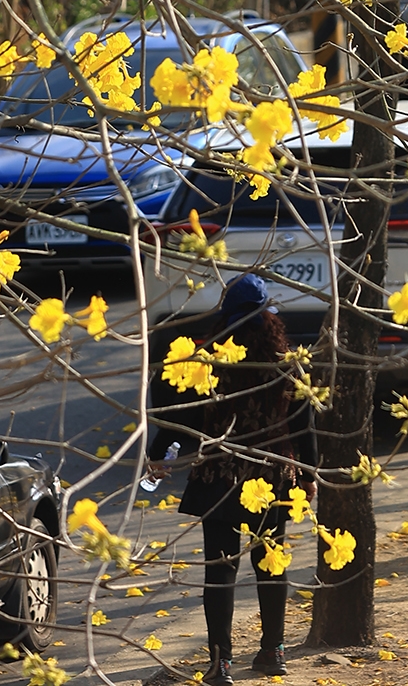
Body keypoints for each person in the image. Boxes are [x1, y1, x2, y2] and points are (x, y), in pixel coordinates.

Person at [148, 274, 315, 683]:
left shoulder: (207, 361)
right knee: (270, 562)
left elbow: (181, 415)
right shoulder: (285, 363)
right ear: (269, 318)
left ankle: (220, 662)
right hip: (271, 477)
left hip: (219, 476)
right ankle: (273, 651)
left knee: (220, 570)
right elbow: (303, 424)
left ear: (225, 317)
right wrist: (309, 473)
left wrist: (158, 453)